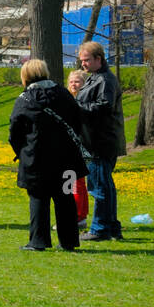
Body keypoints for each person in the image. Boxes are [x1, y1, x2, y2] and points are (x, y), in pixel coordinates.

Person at [8, 59, 86, 251]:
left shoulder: (25, 99)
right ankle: (69, 241)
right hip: (67, 158)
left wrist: (22, 152)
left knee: (38, 199)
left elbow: (14, 131)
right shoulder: (64, 94)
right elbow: (78, 121)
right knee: (66, 198)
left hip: (36, 159)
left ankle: (38, 240)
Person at [75, 40, 126, 241]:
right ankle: (112, 226)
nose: (83, 64)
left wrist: (76, 108)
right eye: (81, 61)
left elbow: (104, 106)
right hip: (96, 140)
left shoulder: (105, 80)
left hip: (100, 142)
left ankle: (99, 229)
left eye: (86, 60)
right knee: (105, 185)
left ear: (99, 59)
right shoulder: (95, 78)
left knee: (99, 186)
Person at [67, 69, 90, 229]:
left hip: (80, 148)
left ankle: (78, 216)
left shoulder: (84, 102)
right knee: (70, 182)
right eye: (71, 81)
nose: (73, 84)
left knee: (77, 182)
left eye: (77, 81)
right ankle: (76, 214)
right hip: (68, 147)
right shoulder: (67, 100)